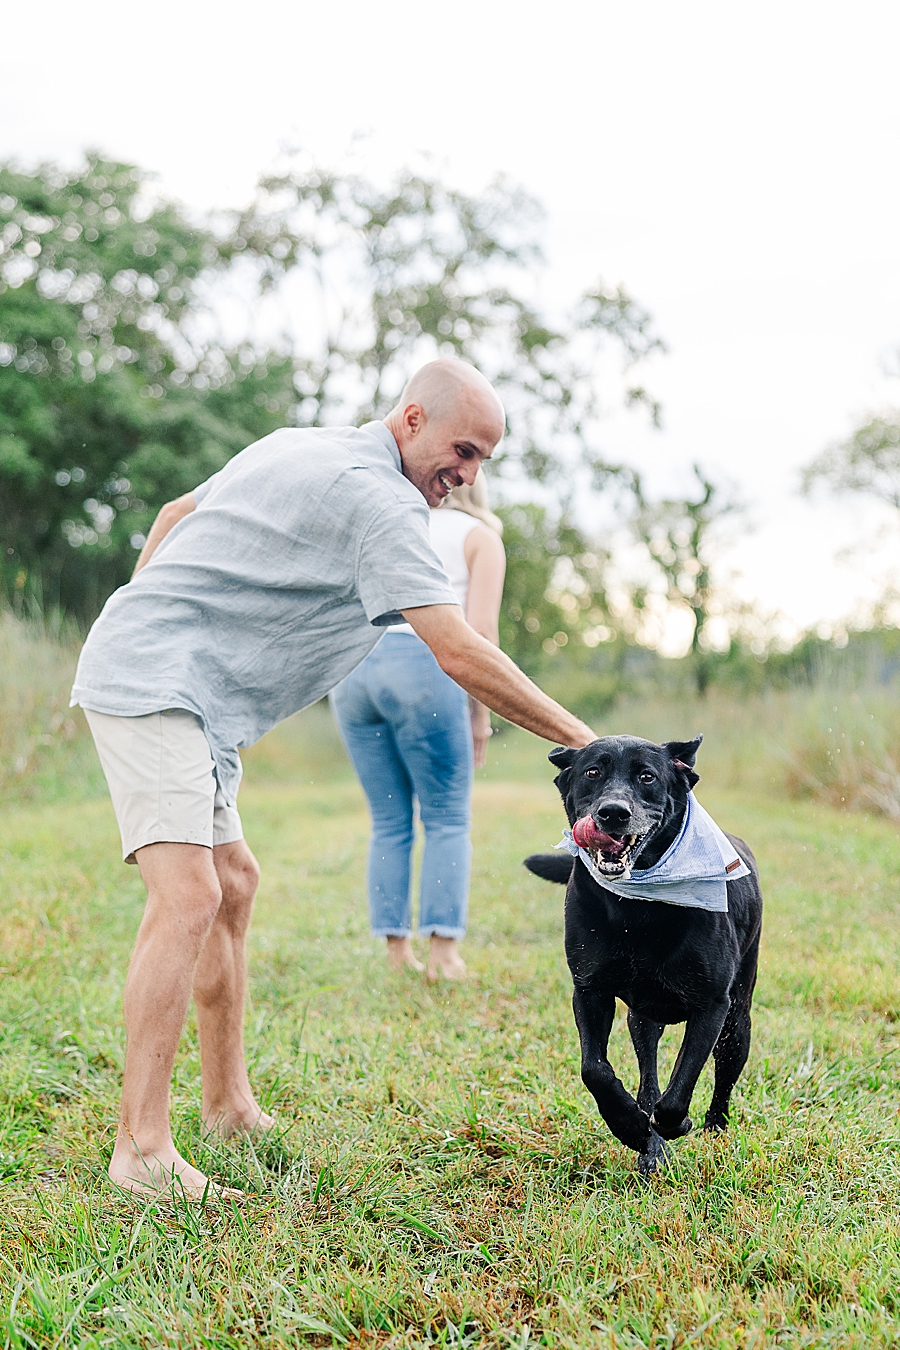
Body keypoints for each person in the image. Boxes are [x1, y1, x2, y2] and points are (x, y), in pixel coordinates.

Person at [70, 358, 596, 1200]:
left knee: (234, 882)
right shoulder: (378, 499)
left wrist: (151, 614)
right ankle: (140, 1149)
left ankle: (227, 1104)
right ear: (413, 420)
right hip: (157, 683)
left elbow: (175, 513)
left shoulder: (298, 443)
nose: (466, 475)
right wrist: (586, 739)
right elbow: (457, 647)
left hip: (187, 689)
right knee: (189, 896)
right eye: (462, 449)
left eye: (484, 461)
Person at [331, 470, 506, 981]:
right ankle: (443, 956)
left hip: (355, 669)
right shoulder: (479, 537)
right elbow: (481, 634)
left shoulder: (389, 523)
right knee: (448, 818)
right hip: (425, 665)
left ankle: (394, 953)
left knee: (388, 821)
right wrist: (481, 716)